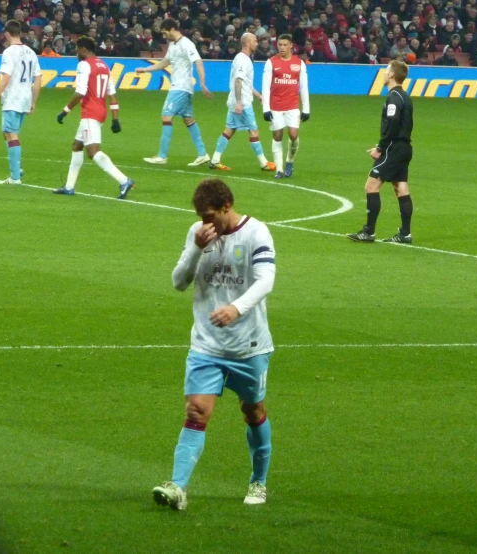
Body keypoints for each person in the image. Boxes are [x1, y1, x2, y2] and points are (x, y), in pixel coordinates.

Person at [152, 178, 276, 511]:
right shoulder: (199, 233)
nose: (206, 223)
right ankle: (178, 487)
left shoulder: (256, 233)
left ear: (226, 207)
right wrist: (195, 246)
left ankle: (258, 481)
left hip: (248, 345)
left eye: (210, 216)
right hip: (206, 346)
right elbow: (179, 282)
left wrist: (237, 308)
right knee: (196, 410)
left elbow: (266, 280)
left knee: (253, 411)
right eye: (200, 217)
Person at [52, 37, 134, 199]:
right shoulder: (103, 65)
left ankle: (124, 180)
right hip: (100, 111)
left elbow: (80, 92)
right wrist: (115, 119)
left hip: (90, 113)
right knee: (77, 145)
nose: (76, 53)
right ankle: (69, 186)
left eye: (77, 50)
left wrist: (65, 111)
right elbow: (113, 94)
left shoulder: (84, 64)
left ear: (83, 49)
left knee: (93, 151)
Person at [347, 60, 414, 244]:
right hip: (405, 147)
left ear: (392, 74)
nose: (384, 73)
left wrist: (380, 148)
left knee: (371, 186)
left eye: (386, 70)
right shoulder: (404, 96)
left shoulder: (394, 97)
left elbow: (392, 124)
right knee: (400, 187)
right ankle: (405, 234)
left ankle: (368, 232)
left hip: (393, 148)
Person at [137, 18, 213, 167]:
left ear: (172, 29)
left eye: (165, 33)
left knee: (166, 116)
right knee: (188, 120)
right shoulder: (172, 44)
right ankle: (203, 154)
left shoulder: (187, 44)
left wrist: (203, 83)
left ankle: (162, 156)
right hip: (181, 87)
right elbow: (165, 63)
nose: (164, 36)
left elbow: (198, 62)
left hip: (181, 87)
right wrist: (145, 69)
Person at [0, 19, 42, 185]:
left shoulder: (9, 52)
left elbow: (5, 79)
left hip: (13, 98)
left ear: (7, 34)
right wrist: (33, 101)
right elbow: (38, 80)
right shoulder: (31, 52)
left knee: (11, 134)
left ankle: (15, 178)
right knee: (7, 132)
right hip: (24, 98)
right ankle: (17, 167)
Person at [208, 33, 275, 172]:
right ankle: (263, 163)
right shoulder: (243, 60)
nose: (257, 43)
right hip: (242, 102)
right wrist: (239, 102)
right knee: (253, 130)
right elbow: (238, 81)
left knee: (230, 129)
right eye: (255, 41)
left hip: (236, 100)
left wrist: (258, 95)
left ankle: (214, 160)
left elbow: (245, 83)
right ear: (248, 43)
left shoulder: (243, 58)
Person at [262, 33, 309, 179]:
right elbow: (265, 86)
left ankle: (289, 160)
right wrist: (266, 108)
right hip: (275, 106)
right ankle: (279, 170)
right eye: (279, 45)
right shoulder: (271, 62)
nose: (281, 48)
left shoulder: (299, 63)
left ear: (291, 46)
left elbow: (304, 87)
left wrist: (306, 109)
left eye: (284, 45)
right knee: (277, 136)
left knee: (293, 135)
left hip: (292, 106)